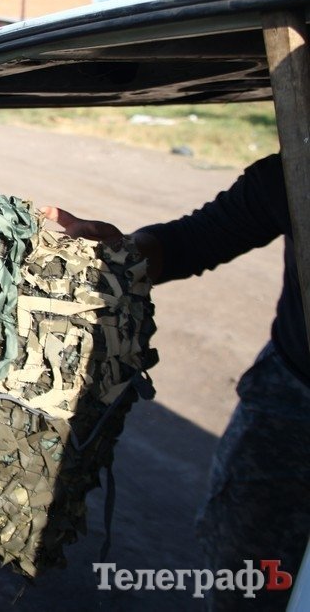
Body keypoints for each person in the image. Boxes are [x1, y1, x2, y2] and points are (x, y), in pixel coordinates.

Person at [42, 152, 308, 611]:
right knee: (247, 564)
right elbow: (195, 240)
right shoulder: (298, 165)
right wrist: (115, 256)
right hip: (294, 392)